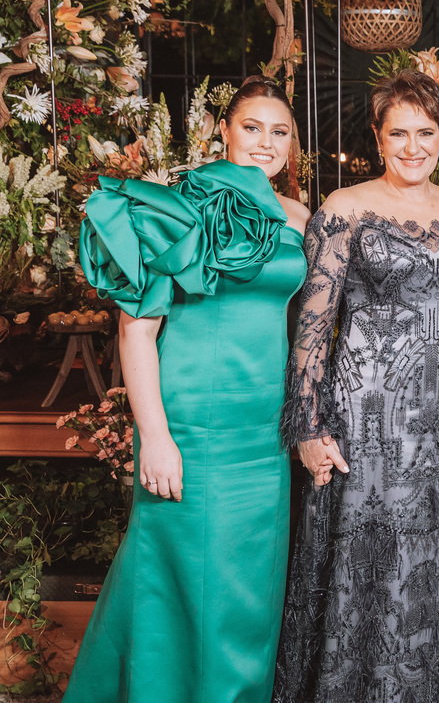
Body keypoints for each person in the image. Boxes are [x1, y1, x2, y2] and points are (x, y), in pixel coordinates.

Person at [66, 76, 310, 702]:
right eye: (251, 127)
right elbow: (135, 333)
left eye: (279, 131)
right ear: (222, 131)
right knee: (175, 589)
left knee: (248, 603)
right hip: (194, 425)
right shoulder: (176, 205)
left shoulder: (302, 216)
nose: (265, 142)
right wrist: (155, 436)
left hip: (265, 434)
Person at [273, 69, 439, 702]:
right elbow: (312, 325)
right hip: (367, 421)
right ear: (377, 137)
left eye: (425, 132)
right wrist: (309, 429)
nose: (412, 146)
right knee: (363, 566)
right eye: (399, 133)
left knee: (432, 565)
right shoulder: (345, 208)